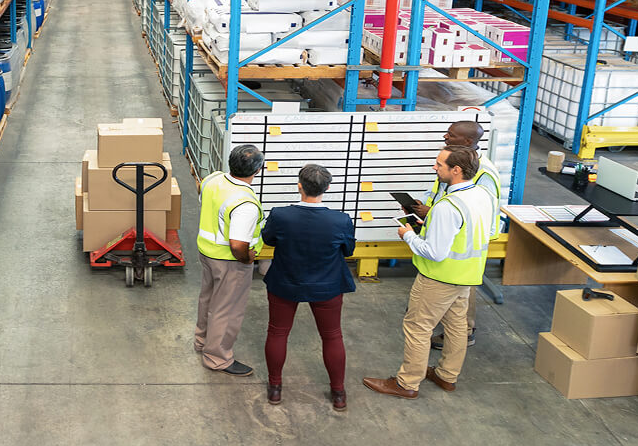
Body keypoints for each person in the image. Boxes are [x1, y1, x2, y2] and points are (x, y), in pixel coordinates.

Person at [363, 145, 496, 400]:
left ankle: (407, 383)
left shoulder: (449, 205)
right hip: (466, 275)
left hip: (439, 278)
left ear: (455, 170)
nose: (434, 168)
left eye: (439, 165)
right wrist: (428, 224)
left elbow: (435, 252)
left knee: (417, 327)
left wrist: (409, 235)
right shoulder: (480, 195)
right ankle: (447, 376)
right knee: (457, 327)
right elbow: (461, 234)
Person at [259, 163, 355, 410]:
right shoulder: (340, 220)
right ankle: (338, 393)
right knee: (332, 335)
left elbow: (268, 238)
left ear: (299, 186)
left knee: (277, 332)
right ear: (328, 188)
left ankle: (275, 389)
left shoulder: (280, 215)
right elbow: (348, 250)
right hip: (327, 285)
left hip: (285, 281)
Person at [409, 120, 504, 350]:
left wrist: (432, 214)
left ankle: (467, 331)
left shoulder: (484, 172)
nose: (445, 137)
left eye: (451, 135)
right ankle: (449, 368)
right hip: (446, 225)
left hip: (467, 238)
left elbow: (476, 208)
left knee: (463, 289)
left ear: (468, 141)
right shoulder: (456, 161)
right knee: (455, 301)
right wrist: (426, 209)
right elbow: (445, 191)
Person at [193, 144, 264, 377]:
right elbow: (238, 245)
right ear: (257, 171)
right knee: (228, 309)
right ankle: (218, 358)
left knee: (208, 299)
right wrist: (246, 260)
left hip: (207, 252)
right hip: (230, 262)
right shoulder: (245, 203)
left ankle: (202, 342)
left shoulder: (213, 179)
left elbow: (200, 189)